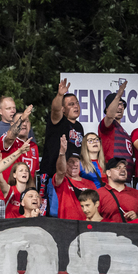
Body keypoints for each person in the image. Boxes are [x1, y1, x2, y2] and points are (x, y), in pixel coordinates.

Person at [43, 79, 84, 216]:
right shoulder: (58, 121)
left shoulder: (79, 126)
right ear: (63, 109)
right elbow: (55, 110)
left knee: (71, 212)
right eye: (71, 104)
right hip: (54, 176)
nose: (76, 106)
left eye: (77, 103)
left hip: (71, 177)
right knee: (55, 214)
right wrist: (60, 95)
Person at [98, 81, 135, 177]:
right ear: (107, 109)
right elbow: (110, 116)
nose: (120, 107)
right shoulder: (108, 125)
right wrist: (118, 95)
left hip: (126, 177)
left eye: (122, 104)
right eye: (116, 105)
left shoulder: (125, 132)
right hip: (112, 176)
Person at [52, 137, 93, 220]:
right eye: (71, 161)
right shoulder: (63, 181)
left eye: (77, 161)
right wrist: (62, 153)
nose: (75, 164)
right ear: (65, 164)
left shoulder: (90, 184)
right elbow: (60, 171)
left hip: (87, 225)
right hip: (67, 225)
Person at [97, 157, 138, 223]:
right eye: (118, 168)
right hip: (107, 229)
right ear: (108, 173)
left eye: (124, 168)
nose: (123, 170)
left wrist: (136, 218)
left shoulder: (137, 194)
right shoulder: (98, 194)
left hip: (131, 229)